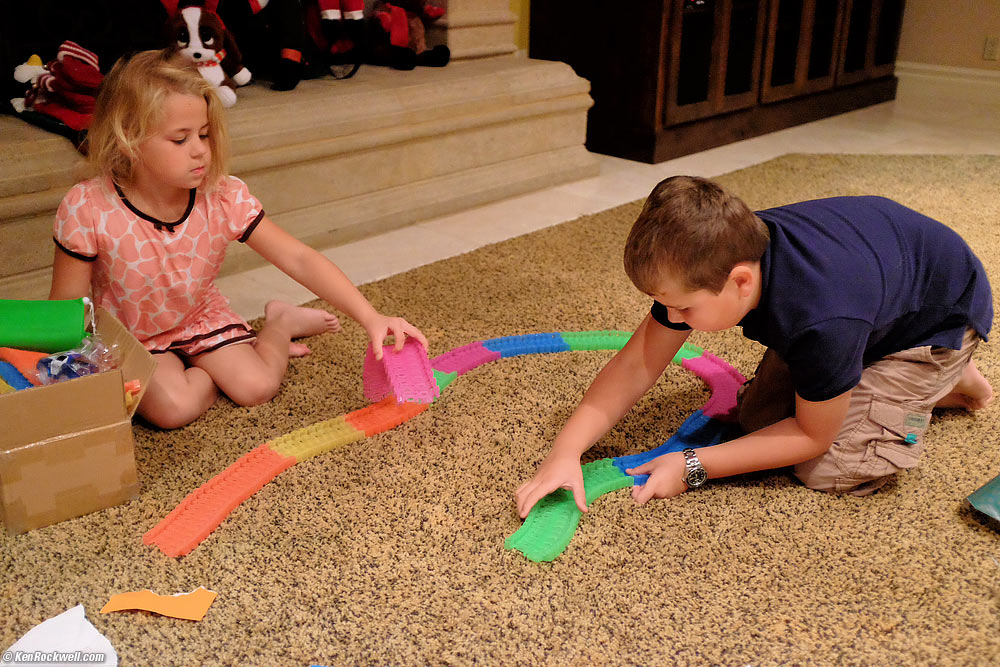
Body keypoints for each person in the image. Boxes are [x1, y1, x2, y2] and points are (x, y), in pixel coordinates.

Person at [515, 175, 993, 518]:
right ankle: (916, 373)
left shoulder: (821, 321)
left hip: (933, 320)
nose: (671, 319)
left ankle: (943, 371)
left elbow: (814, 437)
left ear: (741, 281)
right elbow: (636, 365)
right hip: (875, 298)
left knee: (828, 467)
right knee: (759, 421)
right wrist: (565, 451)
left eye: (683, 309)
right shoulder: (714, 253)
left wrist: (694, 466)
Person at [48, 49, 428, 429]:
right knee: (172, 411)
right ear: (127, 138)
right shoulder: (89, 207)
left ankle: (279, 323)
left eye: (204, 134)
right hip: (134, 335)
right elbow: (66, 307)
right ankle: (211, 364)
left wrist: (371, 316)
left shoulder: (223, 195)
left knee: (257, 387)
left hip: (198, 318)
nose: (200, 150)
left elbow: (298, 258)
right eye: (180, 140)